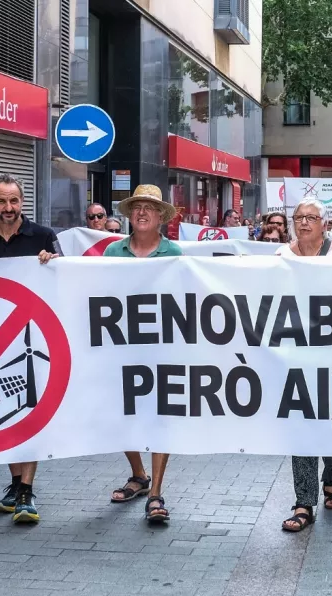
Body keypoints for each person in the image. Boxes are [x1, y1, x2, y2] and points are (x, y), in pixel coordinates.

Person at [0, 174, 59, 524]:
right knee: (6, 411)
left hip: (36, 338)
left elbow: (63, 279)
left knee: (31, 411)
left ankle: (25, 491)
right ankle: (16, 482)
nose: (9, 208)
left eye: (14, 201)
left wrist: (54, 264)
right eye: (2, 201)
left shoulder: (44, 237)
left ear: (23, 202)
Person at [103, 185, 183, 523]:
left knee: (159, 414)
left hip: (161, 346)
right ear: (129, 214)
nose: (142, 213)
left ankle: (156, 493)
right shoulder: (112, 252)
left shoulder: (174, 253)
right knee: (122, 413)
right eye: (137, 207)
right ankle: (138, 474)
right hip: (120, 345)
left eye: (150, 207)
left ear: (161, 216)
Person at [276, 198, 332, 532]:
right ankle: (303, 500)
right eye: (299, 217)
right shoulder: (280, 258)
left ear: (325, 224)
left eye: (311, 217)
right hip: (295, 351)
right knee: (301, 422)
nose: (304, 222)